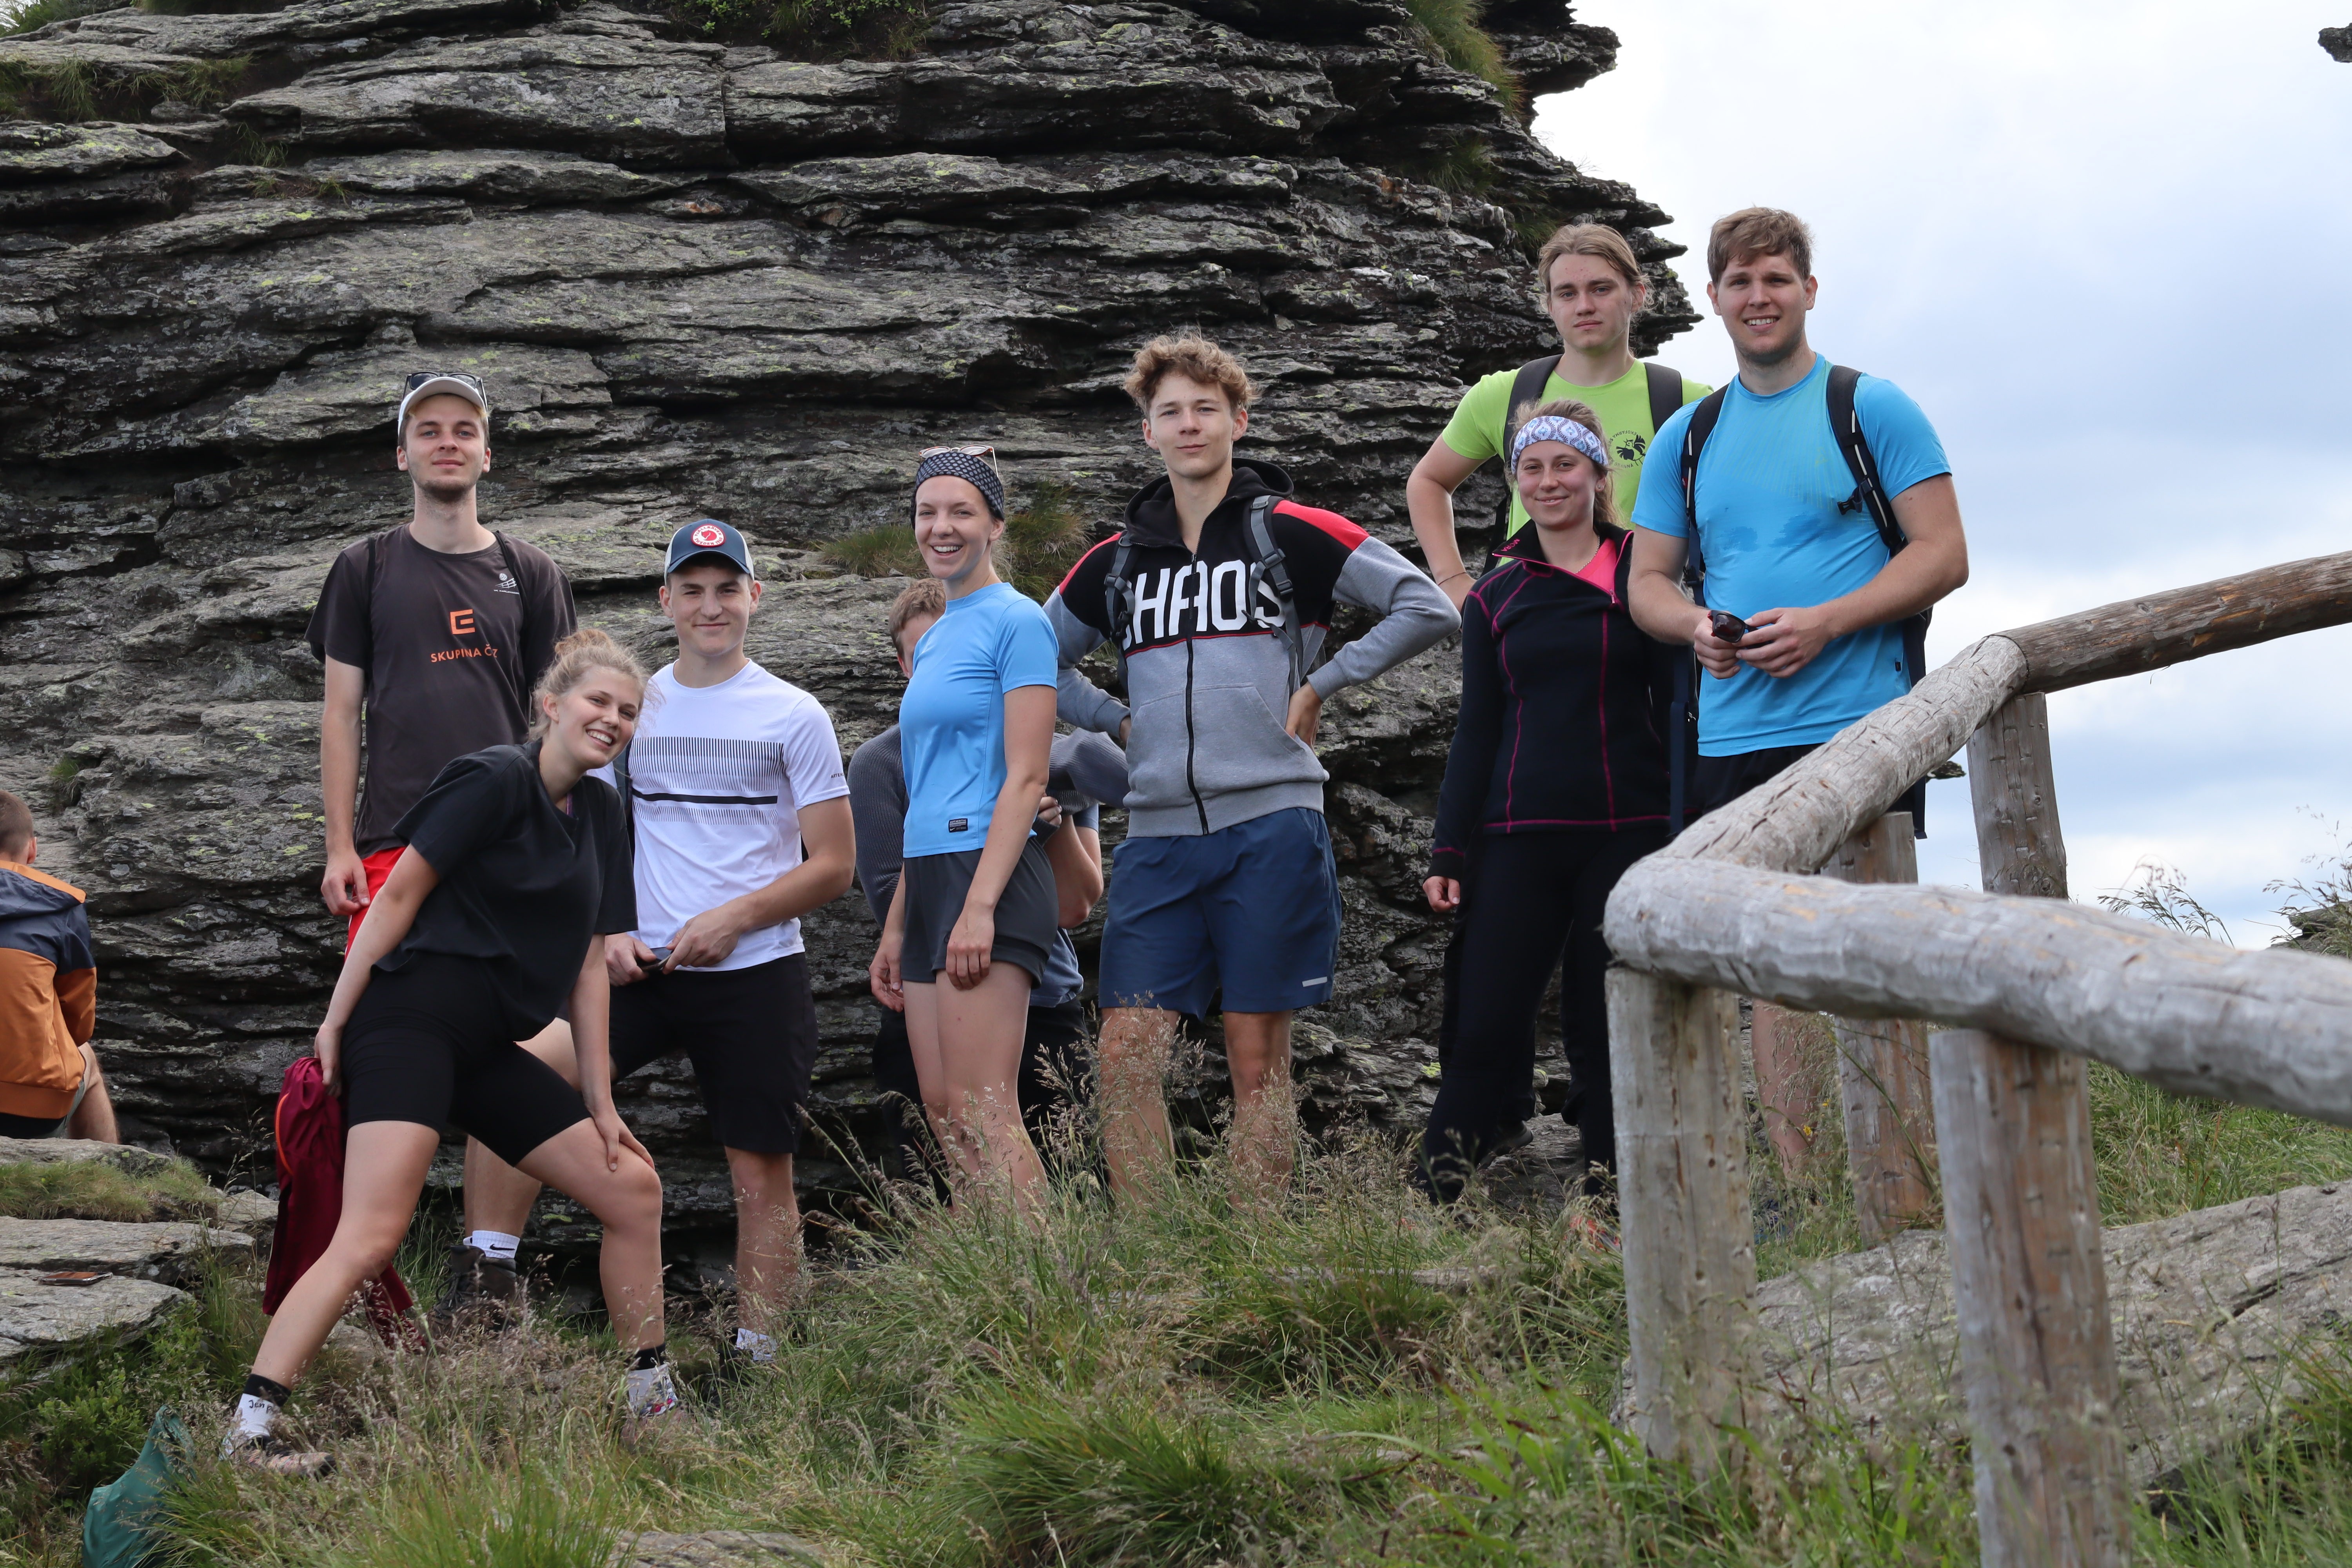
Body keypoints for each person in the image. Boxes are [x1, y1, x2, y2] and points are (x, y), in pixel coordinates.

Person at [227, 631, 670, 1475]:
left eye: (628, 710)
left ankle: (653, 1409)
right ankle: (246, 1430)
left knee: (633, 1189)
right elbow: (397, 896)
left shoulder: (604, 813)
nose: (612, 719)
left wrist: (602, 1103)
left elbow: (588, 965)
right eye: (597, 701)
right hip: (410, 1018)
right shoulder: (493, 778)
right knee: (372, 1233)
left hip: (487, 1045)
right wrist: (337, 1019)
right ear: (551, 705)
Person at [1046, 334, 1459, 1201]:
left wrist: (1323, 683)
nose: (1188, 425)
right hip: (1157, 836)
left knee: (1256, 1055)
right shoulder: (1117, 560)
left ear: (1239, 419)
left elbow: (1426, 604)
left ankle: (1254, 1248)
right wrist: (1114, 716)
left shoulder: (1290, 530)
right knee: (1125, 1055)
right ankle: (1155, 1252)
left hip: (1272, 825)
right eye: (1170, 412)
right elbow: (1032, 658)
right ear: (1148, 432)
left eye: (1206, 408)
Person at [454, 519, 858, 1373]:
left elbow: (835, 865)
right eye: (693, 589)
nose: (711, 606)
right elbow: (586, 834)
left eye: (727, 588)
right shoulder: (633, 707)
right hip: (635, 970)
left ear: (755, 596)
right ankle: (486, 1281)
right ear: (665, 600)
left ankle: (760, 1362)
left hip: (754, 969)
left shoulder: (796, 713)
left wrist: (735, 918)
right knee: (507, 1074)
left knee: (761, 1169)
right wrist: (605, 932)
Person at [1626, 207, 1969, 1170]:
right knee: (1772, 965)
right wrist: (1696, 626)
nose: (1759, 297)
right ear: (1713, 298)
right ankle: (1805, 1179)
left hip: (1863, 723)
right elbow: (1647, 583)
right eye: (1740, 282)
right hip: (1733, 734)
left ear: (1809, 290)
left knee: (1872, 946)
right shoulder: (1689, 435)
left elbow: (1944, 554)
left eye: (1776, 278)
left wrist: (1829, 620)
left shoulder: (1869, 406)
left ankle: (1899, 1170)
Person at [305, 370, 579, 1319]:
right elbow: (341, 711)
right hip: (396, 845)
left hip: (507, 855)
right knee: (387, 1052)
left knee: (533, 1044)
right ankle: (359, 1273)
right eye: (429, 430)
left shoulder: (533, 573)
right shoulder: (365, 567)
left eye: (465, 429)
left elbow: (559, 723)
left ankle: (486, 1265)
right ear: (403, 454)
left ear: (488, 454)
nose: (448, 442)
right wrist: (340, 843)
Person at [1417, 401, 1675, 1206]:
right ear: (1516, 482)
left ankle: (1616, 1208)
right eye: (1532, 467)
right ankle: (1434, 1204)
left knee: (1608, 1027)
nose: (1549, 481)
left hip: (1629, 833)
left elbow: (1680, 711)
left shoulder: (1647, 577)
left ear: (1599, 475)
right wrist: (1449, 848)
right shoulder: (1496, 596)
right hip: (1517, 836)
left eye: (1566, 464)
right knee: (1485, 1026)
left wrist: (1692, 824)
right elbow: (1476, 731)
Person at [850, 579, 1121, 1187]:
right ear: (905, 667)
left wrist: (1039, 828)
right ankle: (995, 1254)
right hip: (931, 979)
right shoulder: (881, 763)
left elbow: (1077, 905)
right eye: (926, 655)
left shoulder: (1051, 754)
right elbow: (896, 892)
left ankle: (1042, 1252)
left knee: (1048, 1167)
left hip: (1044, 999)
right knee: (953, 1155)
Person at [867, 448, 1062, 1212]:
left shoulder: (1019, 620)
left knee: (985, 1109)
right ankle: (995, 1278)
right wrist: (897, 926)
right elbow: (925, 792)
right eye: (927, 512)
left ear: (995, 525)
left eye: (961, 511)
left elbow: (1028, 775)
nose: (941, 527)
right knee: (947, 1111)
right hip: (929, 878)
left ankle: (1046, 1283)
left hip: (988, 873)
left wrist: (979, 906)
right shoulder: (941, 633)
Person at [1408, 223, 1710, 610]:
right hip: (1519, 622)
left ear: (1637, 295)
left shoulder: (1686, 402)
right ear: (1550, 305)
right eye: (1567, 293)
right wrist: (1452, 581)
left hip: (1638, 622)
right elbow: (1428, 481)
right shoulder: (1505, 394)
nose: (1584, 306)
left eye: (1601, 289)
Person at [0, 790, 118, 1143]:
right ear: (32, 850)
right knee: (85, 1058)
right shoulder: (61, 908)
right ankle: (103, 1171)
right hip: (26, 1108)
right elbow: (78, 1025)